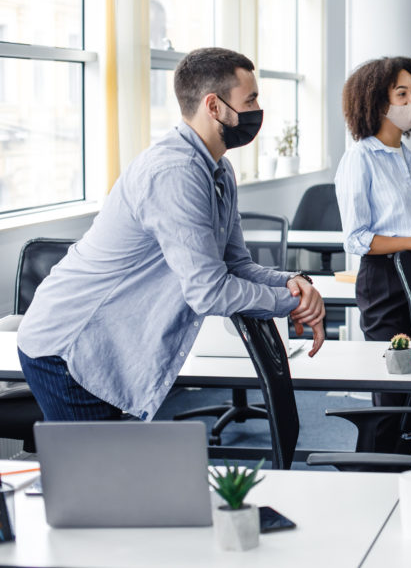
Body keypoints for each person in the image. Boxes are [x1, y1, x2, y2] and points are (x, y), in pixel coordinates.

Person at [17, 47, 326, 422]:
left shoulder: (218, 171)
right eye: (251, 99)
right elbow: (209, 290)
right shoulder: (175, 173)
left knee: (115, 473)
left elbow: (236, 265)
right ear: (214, 106)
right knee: (97, 478)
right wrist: (290, 302)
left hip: (108, 346)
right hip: (70, 347)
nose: (258, 110)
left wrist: (294, 283)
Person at [336, 56, 411, 451]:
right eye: (401, 93)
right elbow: (357, 239)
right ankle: (373, 482)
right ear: (375, 101)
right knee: (392, 393)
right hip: (385, 283)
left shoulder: (406, 157)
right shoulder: (360, 157)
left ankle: (401, 480)